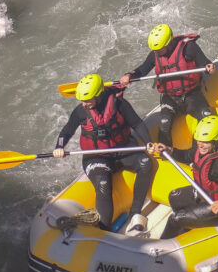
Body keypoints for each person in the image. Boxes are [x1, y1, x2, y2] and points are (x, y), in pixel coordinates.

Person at [52, 73, 154, 235]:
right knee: (103, 185)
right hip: (96, 156)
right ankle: (104, 230)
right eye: (82, 100)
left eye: (88, 100)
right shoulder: (80, 111)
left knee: (145, 163)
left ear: (99, 95)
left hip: (123, 149)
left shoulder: (119, 104)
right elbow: (67, 131)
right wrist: (59, 146)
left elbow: (136, 123)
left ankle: (136, 213)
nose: (84, 104)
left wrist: (149, 142)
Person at [155, 115, 218, 239]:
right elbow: (187, 156)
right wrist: (169, 150)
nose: (200, 145)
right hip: (205, 194)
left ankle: (165, 243)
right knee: (174, 196)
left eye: (205, 142)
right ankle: (187, 227)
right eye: (198, 140)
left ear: (217, 141)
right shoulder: (203, 149)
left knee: (175, 219)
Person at [119, 24, 215, 148]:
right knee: (164, 124)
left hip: (192, 94)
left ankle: (202, 150)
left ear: (169, 43)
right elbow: (143, 70)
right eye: (155, 50)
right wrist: (129, 75)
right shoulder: (155, 54)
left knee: (206, 117)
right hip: (170, 97)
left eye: (159, 49)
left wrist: (209, 66)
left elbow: (205, 63)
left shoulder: (189, 47)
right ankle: (165, 153)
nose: (157, 52)